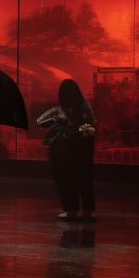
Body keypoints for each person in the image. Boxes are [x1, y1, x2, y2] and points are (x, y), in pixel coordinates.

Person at [37, 78, 98, 221]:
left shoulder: (80, 107)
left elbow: (91, 126)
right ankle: (78, 209)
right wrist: (58, 119)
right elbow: (40, 122)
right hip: (68, 150)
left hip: (73, 149)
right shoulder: (64, 109)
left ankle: (77, 209)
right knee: (75, 179)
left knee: (74, 179)